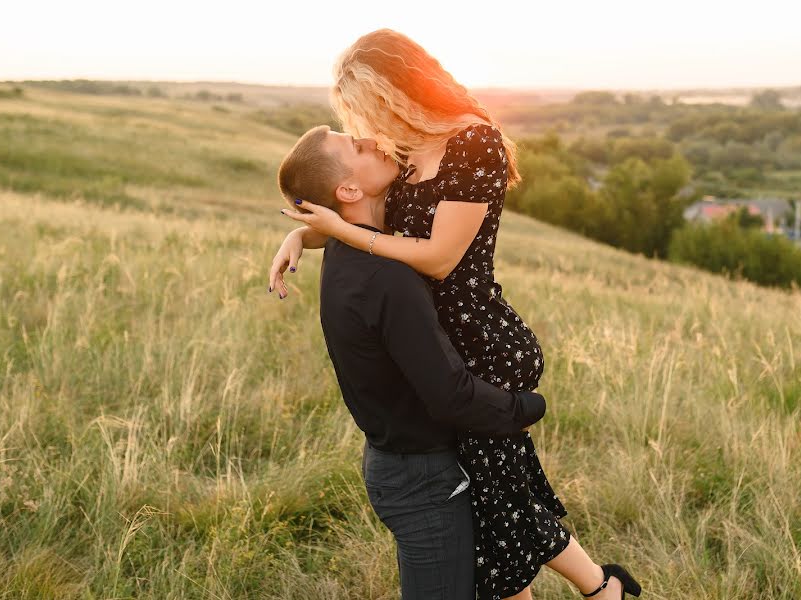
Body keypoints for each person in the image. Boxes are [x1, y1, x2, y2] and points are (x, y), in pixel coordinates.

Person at [270, 30, 641, 600]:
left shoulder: (475, 144)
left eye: (367, 107)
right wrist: (304, 233)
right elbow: (371, 215)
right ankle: (604, 591)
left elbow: (440, 259)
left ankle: (603, 591)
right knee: (497, 514)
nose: (367, 126)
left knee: (500, 508)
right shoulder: (401, 149)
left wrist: (342, 232)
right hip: (436, 346)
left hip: (481, 344)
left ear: (399, 88)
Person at [277, 124, 549, 599]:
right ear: (348, 189)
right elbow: (451, 396)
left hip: (401, 465)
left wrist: (305, 233)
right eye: (357, 146)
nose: (374, 140)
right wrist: (527, 408)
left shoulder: (347, 252)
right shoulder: (387, 278)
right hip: (423, 481)